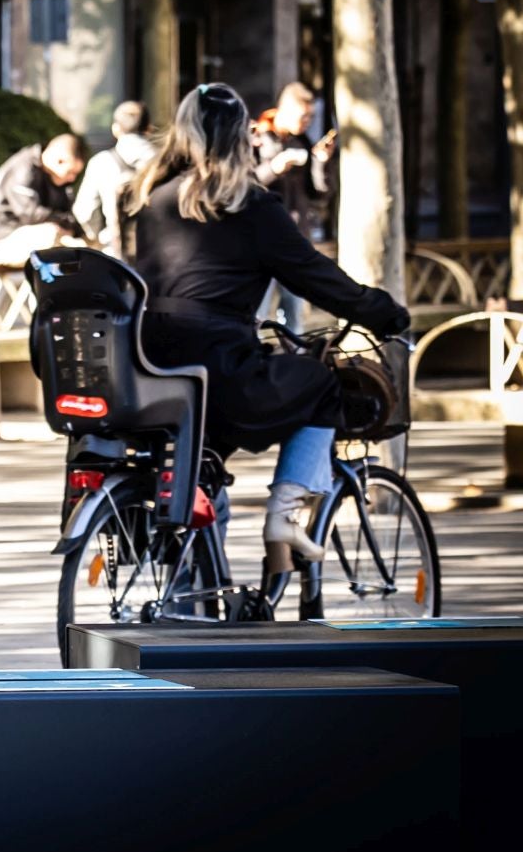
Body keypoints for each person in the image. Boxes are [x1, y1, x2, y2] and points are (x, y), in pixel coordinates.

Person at [126, 84, 408, 574]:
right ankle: (282, 519)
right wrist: (385, 313)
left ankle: (195, 593)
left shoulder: (152, 199)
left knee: (204, 468)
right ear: (244, 138)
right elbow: (320, 281)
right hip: (220, 368)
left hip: (151, 365)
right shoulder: (250, 205)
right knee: (320, 383)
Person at [253, 81, 335, 330]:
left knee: (294, 314)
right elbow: (245, 185)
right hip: (262, 239)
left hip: (296, 237)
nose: (308, 121)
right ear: (284, 110)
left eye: (311, 116)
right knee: (257, 312)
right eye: (303, 115)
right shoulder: (256, 137)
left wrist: (321, 162)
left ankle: (294, 360)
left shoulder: (301, 142)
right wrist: (274, 168)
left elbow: (319, 194)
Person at [0, 133, 88, 268]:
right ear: (59, 161)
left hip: (23, 235)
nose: (72, 179)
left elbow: (65, 213)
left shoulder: (55, 177)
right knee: (50, 235)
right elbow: (30, 214)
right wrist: (64, 224)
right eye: (71, 172)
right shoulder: (23, 169)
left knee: (84, 246)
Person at [71, 101, 154, 257]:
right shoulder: (164, 162)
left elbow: (84, 211)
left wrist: (100, 236)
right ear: (149, 128)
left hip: (115, 253)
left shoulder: (101, 162)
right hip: (159, 252)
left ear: (115, 129)